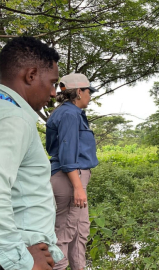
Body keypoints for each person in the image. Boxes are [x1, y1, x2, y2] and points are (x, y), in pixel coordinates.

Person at [0, 37, 64, 270]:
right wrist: (20, 261)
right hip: (22, 250)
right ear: (31, 75)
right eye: (52, 82)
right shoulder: (13, 119)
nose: (53, 92)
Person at [46, 73, 99, 270]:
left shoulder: (69, 112)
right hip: (69, 178)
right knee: (64, 233)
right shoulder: (69, 114)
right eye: (88, 91)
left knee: (80, 230)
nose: (90, 96)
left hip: (74, 178)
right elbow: (68, 154)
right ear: (78, 92)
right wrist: (77, 186)